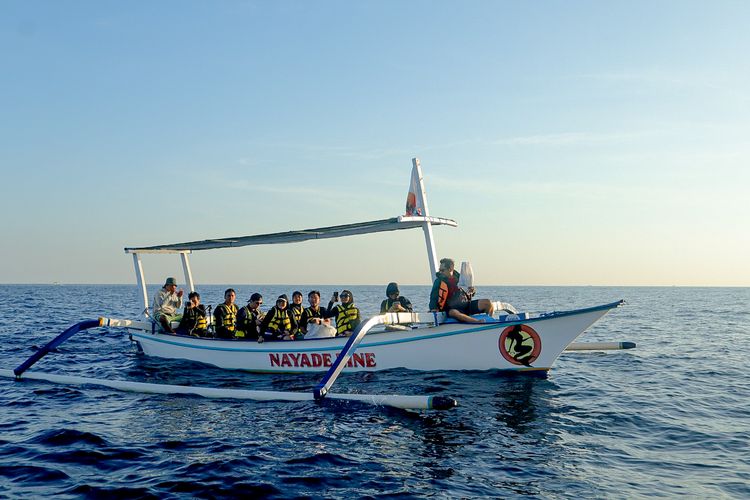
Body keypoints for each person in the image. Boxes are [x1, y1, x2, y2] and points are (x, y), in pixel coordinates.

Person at [429, 257, 493, 323]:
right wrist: (433, 308)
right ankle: (477, 322)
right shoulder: (439, 281)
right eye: (440, 270)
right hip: (452, 308)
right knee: (453, 313)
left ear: (450, 269)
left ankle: (490, 321)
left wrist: (472, 291)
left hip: (466, 305)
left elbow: (469, 292)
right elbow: (433, 297)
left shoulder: (461, 278)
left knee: (488, 303)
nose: (440, 272)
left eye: (442, 270)